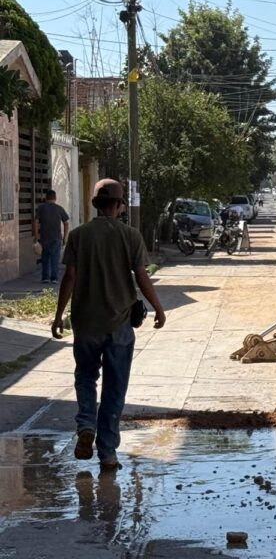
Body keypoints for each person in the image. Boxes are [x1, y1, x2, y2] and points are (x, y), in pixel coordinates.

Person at [52, 178, 166, 471]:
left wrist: (58, 315)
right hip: (119, 325)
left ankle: (86, 423)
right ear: (118, 205)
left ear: (94, 205)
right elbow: (141, 276)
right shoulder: (130, 236)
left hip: (85, 323)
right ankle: (108, 454)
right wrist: (158, 308)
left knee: (86, 377)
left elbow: (69, 278)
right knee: (115, 389)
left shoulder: (79, 236)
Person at [33, 189, 69, 284]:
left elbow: (36, 222)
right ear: (55, 198)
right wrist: (65, 237)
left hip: (45, 237)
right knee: (55, 258)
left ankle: (45, 277)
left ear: (46, 198)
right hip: (57, 237)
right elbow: (66, 223)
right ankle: (54, 278)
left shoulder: (41, 208)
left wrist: (36, 235)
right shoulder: (59, 208)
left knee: (45, 257)